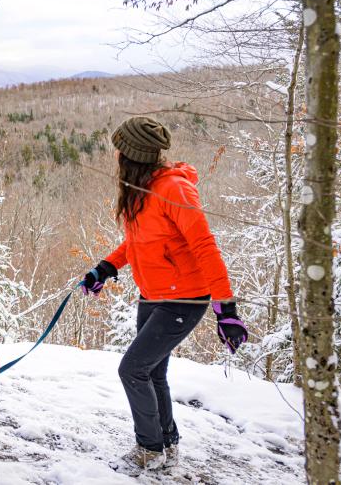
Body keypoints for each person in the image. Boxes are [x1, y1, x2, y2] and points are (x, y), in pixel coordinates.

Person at [80, 116, 248, 472]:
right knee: (152, 373)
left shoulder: (174, 189)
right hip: (153, 295)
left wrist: (226, 308)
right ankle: (167, 444)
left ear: (132, 156)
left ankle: (150, 449)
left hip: (184, 299)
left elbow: (204, 246)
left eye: (120, 151)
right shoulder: (141, 190)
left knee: (132, 370)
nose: (117, 158)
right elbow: (140, 241)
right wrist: (106, 267)